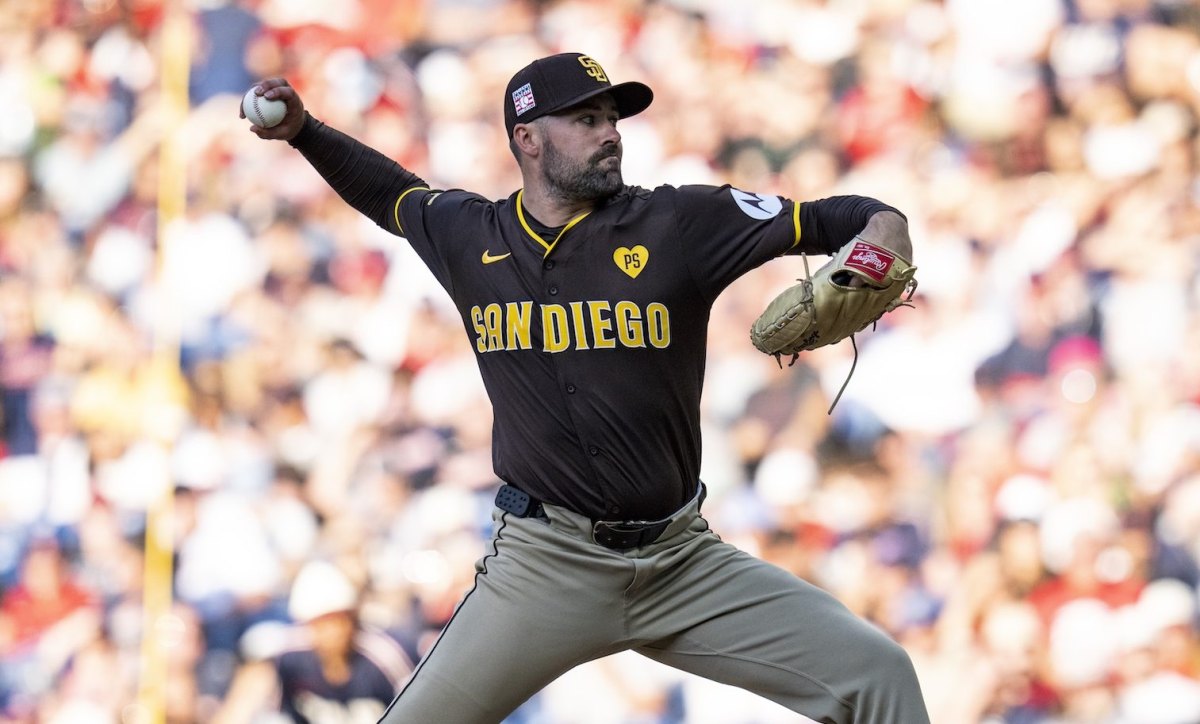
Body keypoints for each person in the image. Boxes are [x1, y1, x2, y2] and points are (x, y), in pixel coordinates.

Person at [244, 52, 930, 724]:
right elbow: (389, 194)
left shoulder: (678, 222)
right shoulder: (470, 235)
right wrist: (305, 131)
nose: (610, 134)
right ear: (528, 138)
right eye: (586, 119)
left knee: (878, 674)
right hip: (545, 565)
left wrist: (885, 233)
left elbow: (843, 217)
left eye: (612, 119)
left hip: (680, 562)